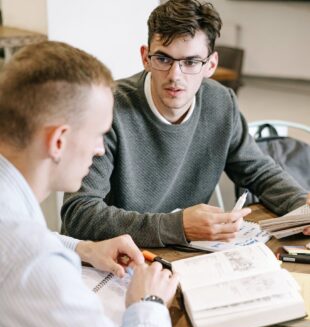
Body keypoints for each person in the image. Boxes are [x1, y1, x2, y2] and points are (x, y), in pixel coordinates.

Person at [0, 41, 193, 327]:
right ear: (59, 140)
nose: (101, 149)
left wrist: (83, 248)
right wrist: (147, 303)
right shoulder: (28, 259)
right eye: (99, 133)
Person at [61, 0, 309, 248]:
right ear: (145, 57)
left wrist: (301, 205)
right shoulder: (107, 108)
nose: (175, 76)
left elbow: (258, 172)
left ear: (210, 65)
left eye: (190, 62)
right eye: (163, 59)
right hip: (113, 261)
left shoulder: (221, 102)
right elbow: (79, 214)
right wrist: (177, 226)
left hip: (184, 255)